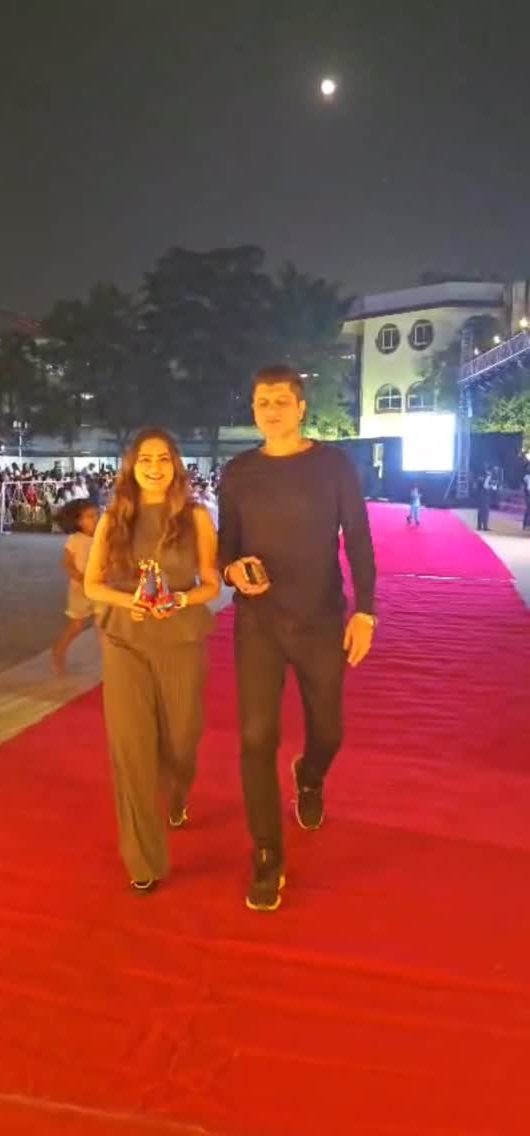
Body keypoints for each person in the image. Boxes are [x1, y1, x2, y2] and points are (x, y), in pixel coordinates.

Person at [219, 364, 377, 912]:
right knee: (255, 739)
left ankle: (310, 776)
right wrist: (231, 570)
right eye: (263, 402)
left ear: (301, 407)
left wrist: (366, 612)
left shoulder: (333, 466)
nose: (271, 410)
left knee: (329, 731)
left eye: (281, 401)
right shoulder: (239, 472)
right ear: (253, 408)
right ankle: (267, 855)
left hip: (321, 621)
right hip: (258, 624)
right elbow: (226, 546)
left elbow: (359, 538)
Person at [84, 428, 220, 893]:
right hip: (124, 640)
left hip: (180, 639)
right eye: (145, 459)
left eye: (163, 458)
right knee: (132, 749)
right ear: (132, 466)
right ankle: (143, 861)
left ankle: (177, 792)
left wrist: (179, 600)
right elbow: (93, 585)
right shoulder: (113, 519)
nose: (155, 467)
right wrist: (130, 603)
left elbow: (210, 584)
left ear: (175, 465)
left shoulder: (195, 517)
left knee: (182, 740)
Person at [52, 499, 101, 674]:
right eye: (90, 516)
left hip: (99, 587)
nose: (96, 519)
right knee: (77, 625)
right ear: (78, 521)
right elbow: (67, 563)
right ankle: (59, 652)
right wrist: (79, 577)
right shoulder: (74, 540)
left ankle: (110, 663)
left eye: (96, 515)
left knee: (102, 624)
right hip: (79, 589)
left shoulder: (101, 537)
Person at [476, 467, 493, 532]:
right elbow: (485, 486)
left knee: (480, 510)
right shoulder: (487, 477)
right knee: (485, 511)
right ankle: (485, 526)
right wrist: (491, 487)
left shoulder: (480, 476)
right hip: (485, 495)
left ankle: (479, 526)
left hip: (480, 495)